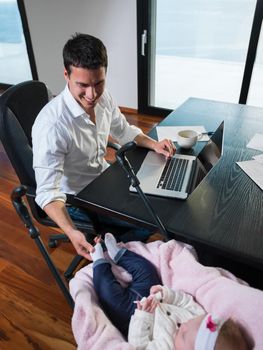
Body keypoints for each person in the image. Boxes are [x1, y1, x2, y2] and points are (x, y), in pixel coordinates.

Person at [32, 33, 176, 260]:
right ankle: (111, 254)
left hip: (103, 178)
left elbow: (123, 130)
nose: (92, 95)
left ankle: (116, 243)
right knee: (150, 221)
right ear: (66, 75)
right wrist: (71, 231)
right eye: (83, 85)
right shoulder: (51, 125)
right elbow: (47, 192)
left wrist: (154, 144)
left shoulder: (103, 97)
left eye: (98, 83)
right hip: (77, 197)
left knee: (158, 204)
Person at [91, 233, 251, 350]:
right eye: (189, 323)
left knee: (107, 294)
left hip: (131, 315)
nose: (182, 326)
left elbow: (138, 344)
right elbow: (185, 301)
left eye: (183, 335)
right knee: (146, 269)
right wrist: (164, 293)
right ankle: (120, 254)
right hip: (153, 295)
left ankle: (98, 261)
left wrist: (142, 315)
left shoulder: (165, 347)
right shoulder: (197, 317)